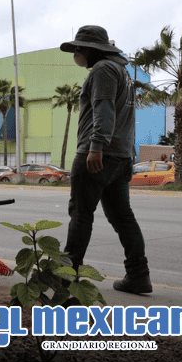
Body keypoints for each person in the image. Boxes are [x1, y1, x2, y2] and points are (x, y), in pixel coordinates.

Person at [59, 25, 152, 294]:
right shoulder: (120, 71)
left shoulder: (102, 70)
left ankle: (66, 278)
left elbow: (104, 108)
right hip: (121, 157)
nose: (76, 54)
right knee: (123, 218)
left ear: (89, 50)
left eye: (78, 49)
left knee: (80, 214)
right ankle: (138, 275)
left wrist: (95, 146)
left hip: (98, 155)